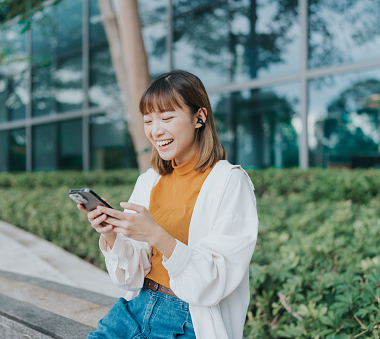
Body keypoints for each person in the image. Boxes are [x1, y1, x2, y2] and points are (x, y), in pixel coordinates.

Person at [78, 70, 258, 339]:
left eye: (167, 117)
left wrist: (156, 235)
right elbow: (130, 277)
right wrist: (111, 232)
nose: (155, 130)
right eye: (148, 120)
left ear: (200, 117)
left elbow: (214, 281)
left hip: (188, 318)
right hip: (134, 308)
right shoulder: (149, 180)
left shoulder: (229, 182)